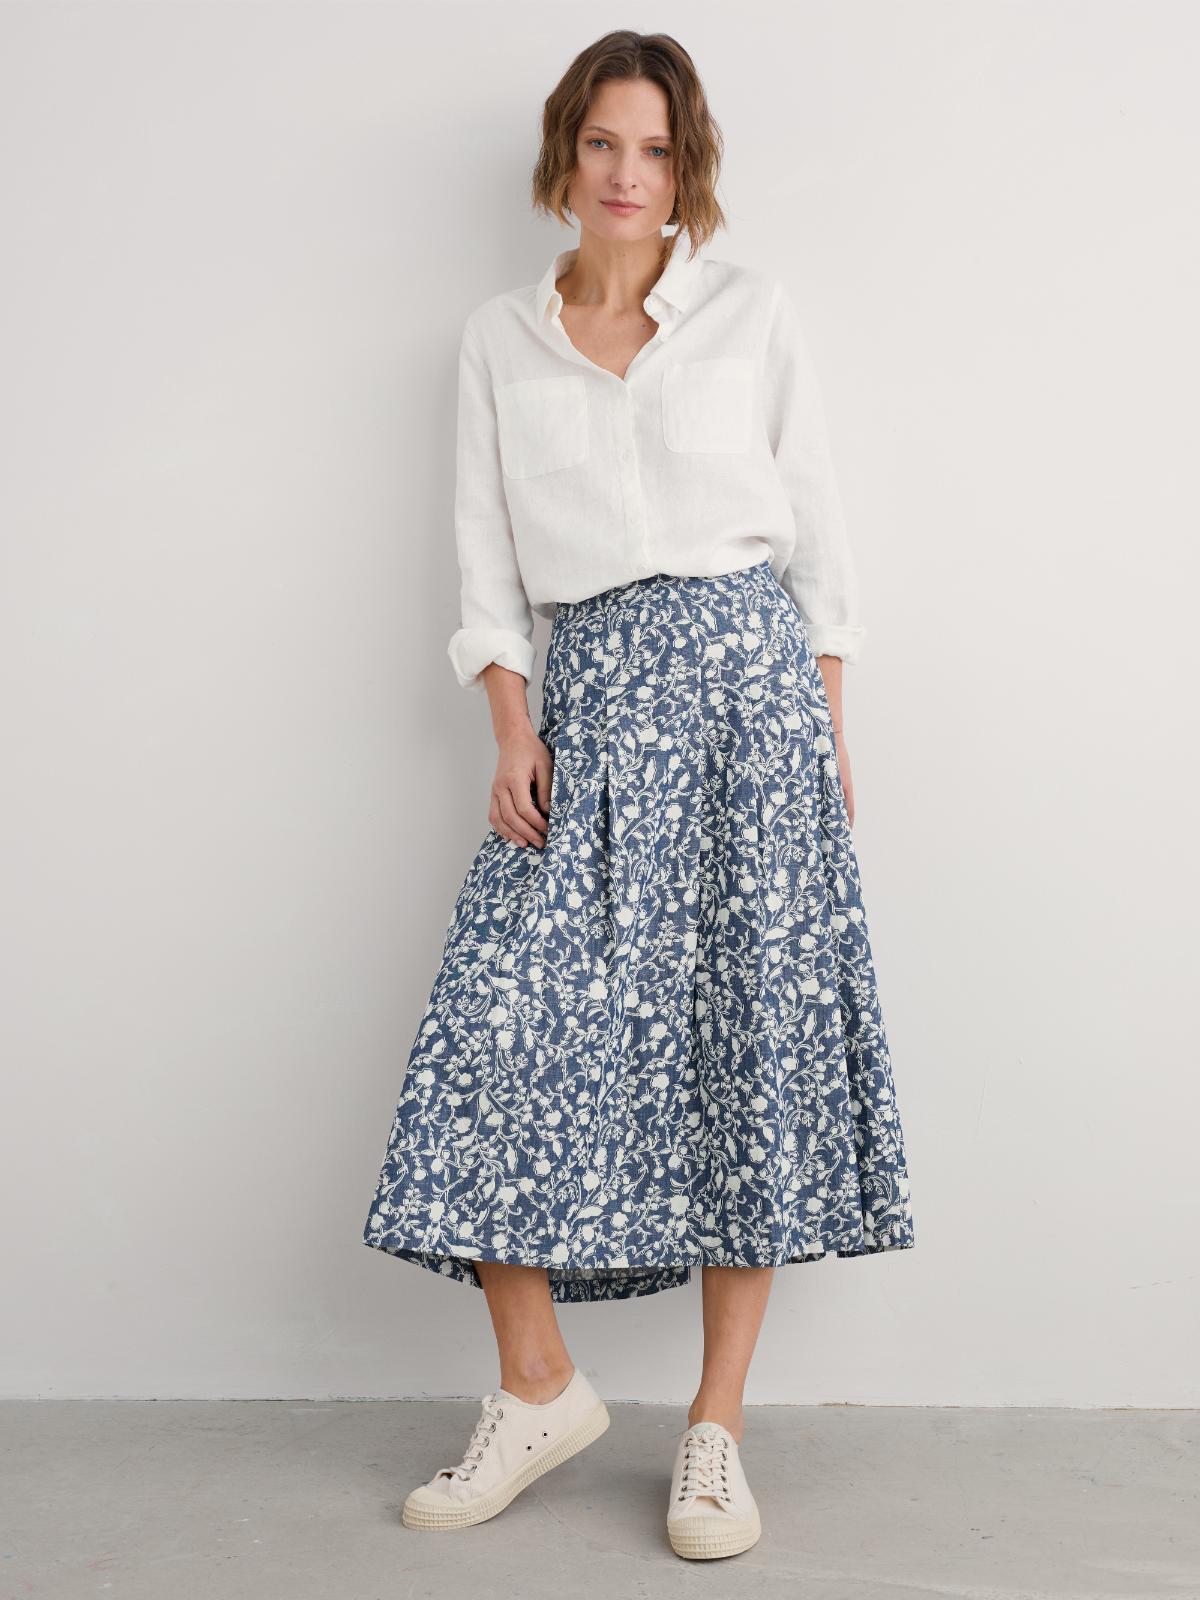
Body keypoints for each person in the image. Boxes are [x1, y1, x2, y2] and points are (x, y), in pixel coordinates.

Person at [362, 28, 916, 1561]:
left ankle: (716, 1430)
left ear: (688, 171)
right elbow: (485, 560)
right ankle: (538, 1385)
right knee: (494, 1040)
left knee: (749, 1050)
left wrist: (828, 731)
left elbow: (820, 541)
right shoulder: (498, 339)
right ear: (566, 155)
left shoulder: (751, 314)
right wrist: (509, 724)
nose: (628, 174)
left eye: (656, 151)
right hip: (592, 712)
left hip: (750, 706)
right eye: (605, 143)